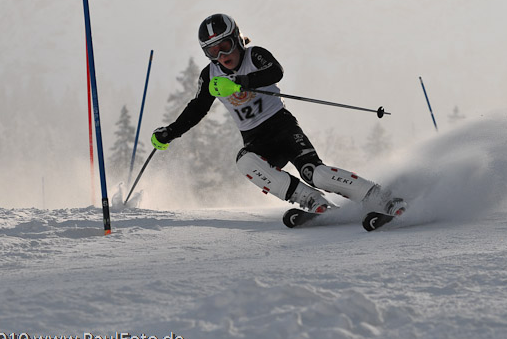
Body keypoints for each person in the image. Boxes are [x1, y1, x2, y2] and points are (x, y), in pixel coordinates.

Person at [152, 13, 406, 218]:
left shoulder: (255, 55)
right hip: (255, 138)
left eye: (225, 46)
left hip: (282, 127)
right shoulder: (210, 76)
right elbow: (197, 108)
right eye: (212, 52)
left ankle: (381, 197)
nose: (222, 56)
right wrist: (170, 132)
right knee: (245, 161)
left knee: (314, 173)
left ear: (237, 39)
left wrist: (242, 82)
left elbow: (275, 72)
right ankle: (312, 202)